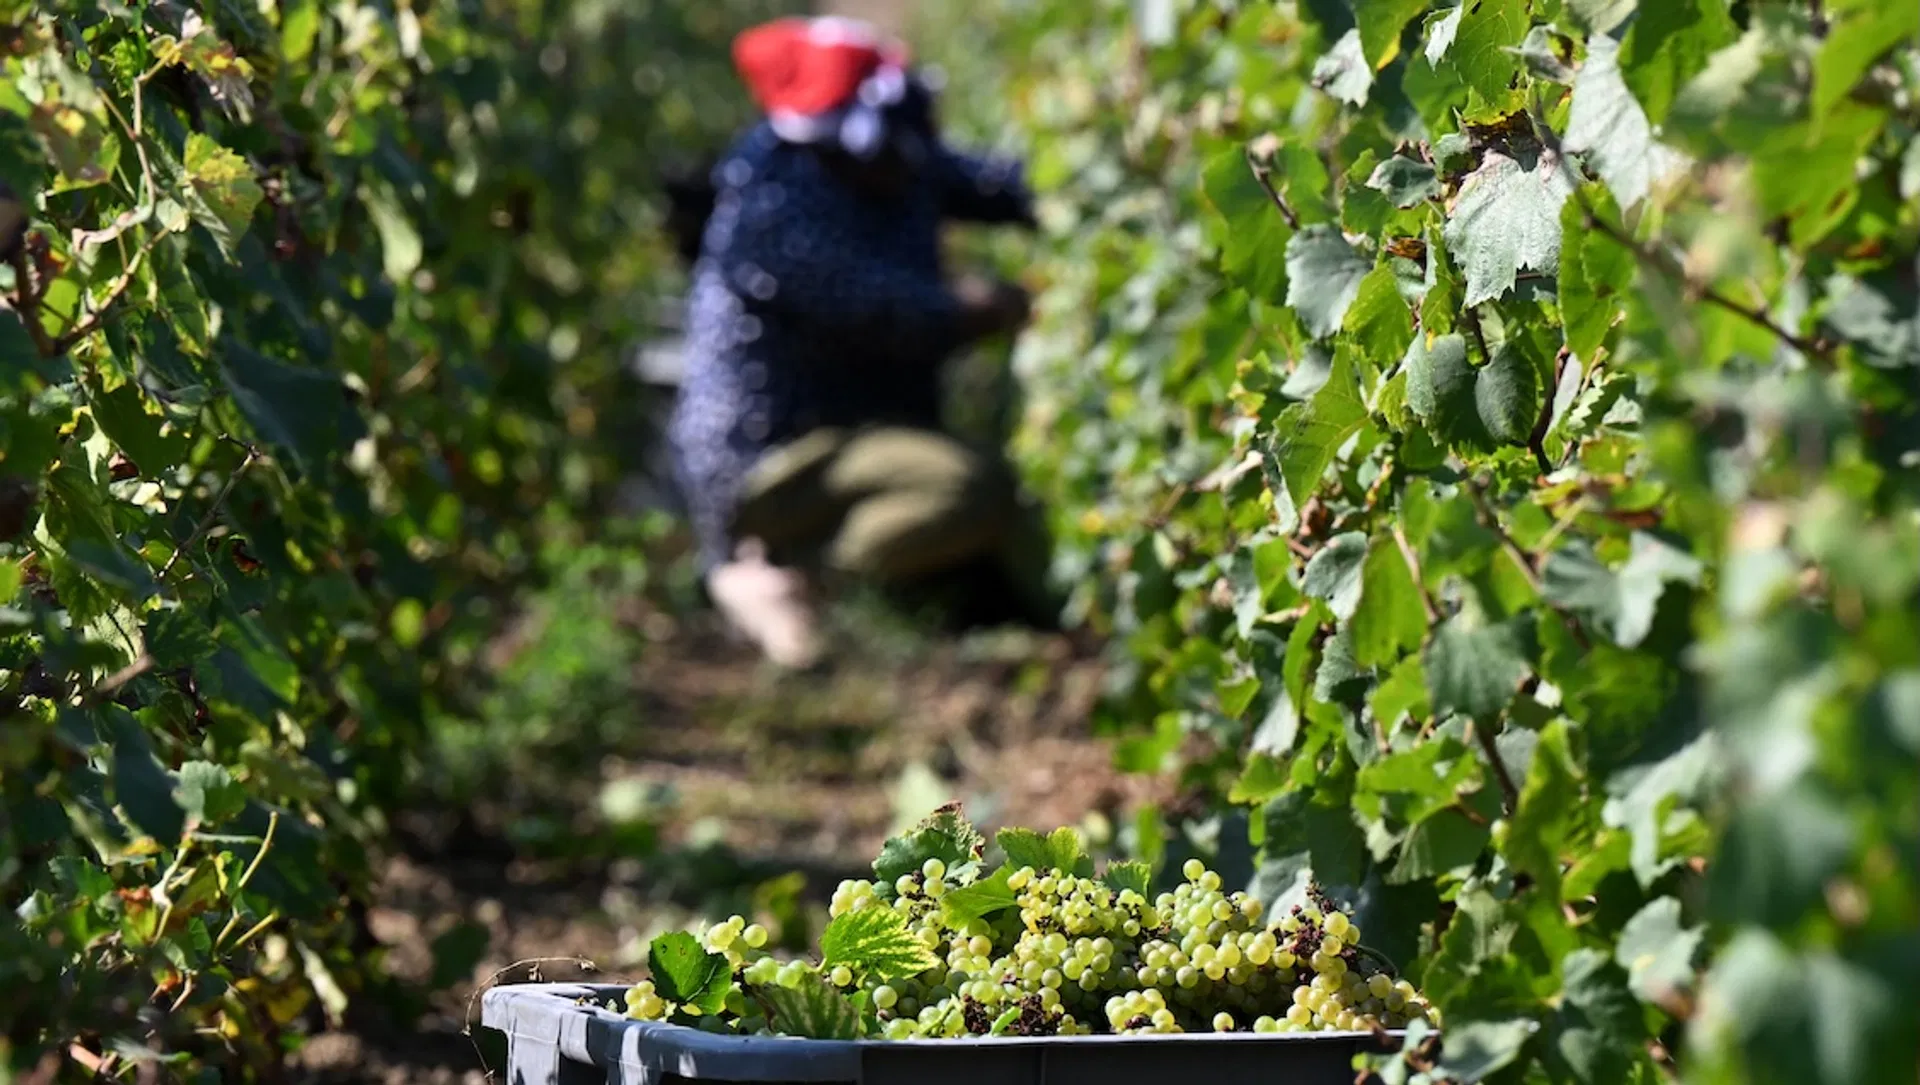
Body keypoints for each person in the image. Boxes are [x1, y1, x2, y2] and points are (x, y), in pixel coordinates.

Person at [667, 16, 1056, 669]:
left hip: (857, 438)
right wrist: (985, 305)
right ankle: (777, 569)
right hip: (774, 455)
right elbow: (885, 310)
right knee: (969, 491)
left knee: (973, 520)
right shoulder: (774, 201)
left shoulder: (893, 159)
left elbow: (1001, 185)